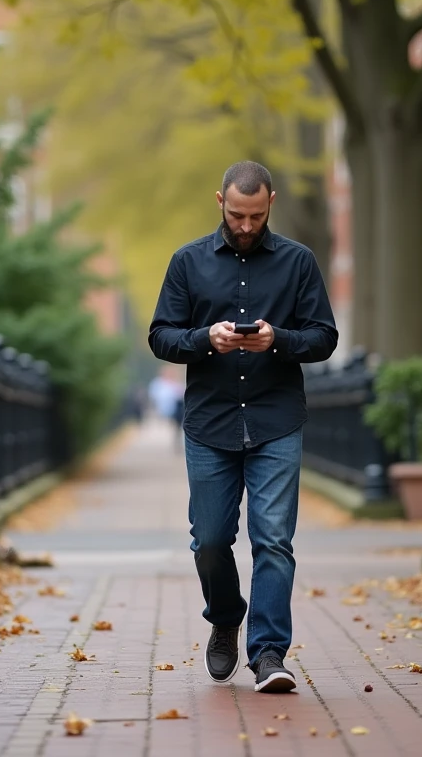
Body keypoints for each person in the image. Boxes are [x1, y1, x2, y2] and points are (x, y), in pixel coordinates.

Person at [147, 161, 338, 693]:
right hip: (210, 422)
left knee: (273, 540)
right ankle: (226, 616)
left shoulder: (298, 262)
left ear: (270, 203)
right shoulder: (187, 262)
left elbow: (324, 336)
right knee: (209, 541)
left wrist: (279, 339)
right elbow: (161, 335)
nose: (247, 226)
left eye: (256, 215)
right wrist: (206, 338)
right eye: (236, 215)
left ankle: (268, 653)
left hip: (277, 419)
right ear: (220, 202)